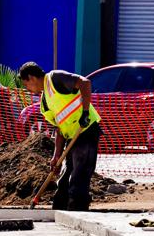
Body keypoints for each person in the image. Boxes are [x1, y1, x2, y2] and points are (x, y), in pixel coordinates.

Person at [18, 61, 101, 211]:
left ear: (31, 77)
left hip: (86, 130)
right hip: (72, 137)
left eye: (26, 85)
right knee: (64, 181)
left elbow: (85, 83)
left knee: (79, 175)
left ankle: (78, 210)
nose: (28, 89)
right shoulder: (45, 103)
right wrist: (56, 155)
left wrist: (86, 112)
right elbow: (59, 129)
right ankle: (60, 210)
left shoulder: (55, 79)